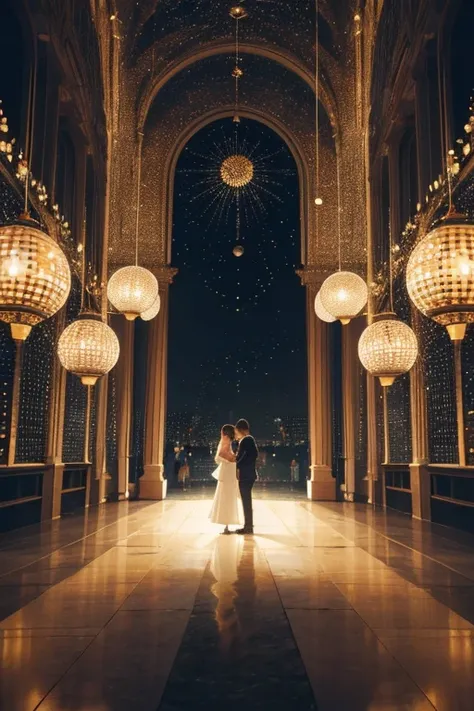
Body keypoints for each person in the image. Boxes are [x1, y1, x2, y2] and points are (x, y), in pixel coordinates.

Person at [209, 425, 243, 534]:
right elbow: (222, 454)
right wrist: (234, 458)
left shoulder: (225, 440)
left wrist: (232, 457)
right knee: (227, 497)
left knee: (226, 497)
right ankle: (227, 524)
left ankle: (226, 525)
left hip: (227, 472)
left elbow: (222, 455)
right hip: (228, 473)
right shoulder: (227, 441)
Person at [235, 418, 258, 535]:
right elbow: (251, 455)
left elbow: (245, 456)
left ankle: (248, 527)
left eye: (237, 431)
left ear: (241, 430)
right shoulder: (248, 440)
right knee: (246, 501)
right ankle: (248, 525)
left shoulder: (246, 440)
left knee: (246, 502)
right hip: (248, 474)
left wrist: (237, 464)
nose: (236, 434)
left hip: (246, 475)